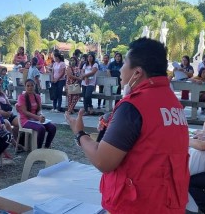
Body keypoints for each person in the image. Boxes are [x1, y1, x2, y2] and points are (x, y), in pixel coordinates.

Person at [64, 38, 189, 213]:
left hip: (137, 205)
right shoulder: (173, 103)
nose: (121, 69)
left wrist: (79, 133)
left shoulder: (134, 106)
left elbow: (103, 161)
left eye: (125, 64)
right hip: (168, 203)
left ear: (137, 73)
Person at [17, 79, 56, 148]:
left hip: (36, 120)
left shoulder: (37, 96)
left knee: (52, 127)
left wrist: (41, 116)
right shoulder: (21, 97)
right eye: (28, 86)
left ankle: (46, 146)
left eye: (32, 85)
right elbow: (25, 112)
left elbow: (39, 110)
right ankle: (39, 148)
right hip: (26, 120)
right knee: (41, 128)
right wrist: (38, 118)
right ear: (25, 87)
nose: (30, 87)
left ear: (35, 86)